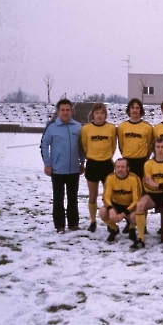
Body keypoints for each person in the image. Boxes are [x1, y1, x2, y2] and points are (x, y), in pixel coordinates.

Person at [40, 98, 85, 234]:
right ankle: (59, 225)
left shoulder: (78, 127)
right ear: (58, 111)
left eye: (68, 110)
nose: (65, 112)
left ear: (71, 111)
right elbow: (44, 145)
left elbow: (82, 146)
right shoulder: (52, 127)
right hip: (57, 170)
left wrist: (82, 162)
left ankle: (73, 224)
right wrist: (47, 164)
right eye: (62, 110)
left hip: (74, 169)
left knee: (73, 198)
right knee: (58, 198)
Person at [133, 138, 163, 250]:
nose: (160, 150)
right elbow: (147, 185)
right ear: (154, 149)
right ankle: (140, 238)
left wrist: (157, 185)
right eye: (158, 147)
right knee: (140, 205)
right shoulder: (148, 164)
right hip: (152, 195)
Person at [80, 103, 116, 232]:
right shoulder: (86, 129)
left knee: (108, 195)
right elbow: (84, 146)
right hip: (92, 164)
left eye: (102, 113)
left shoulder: (111, 128)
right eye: (97, 113)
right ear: (93, 114)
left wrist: (106, 157)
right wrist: (92, 156)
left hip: (106, 164)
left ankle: (108, 220)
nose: (99, 115)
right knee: (93, 194)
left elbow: (113, 146)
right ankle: (93, 221)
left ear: (105, 114)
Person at [99, 158, 142, 244]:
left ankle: (131, 228)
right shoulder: (110, 178)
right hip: (116, 204)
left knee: (137, 217)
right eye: (118, 167)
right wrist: (111, 209)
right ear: (115, 168)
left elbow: (136, 200)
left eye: (123, 167)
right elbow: (105, 196)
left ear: (128, 168)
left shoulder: (134, 178)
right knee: (102, 212)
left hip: (130, 206)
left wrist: (123, 214)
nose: (120, 169)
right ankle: (114, 229)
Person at [117, 98, 153, 180]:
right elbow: (120, 144)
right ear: (129, 110)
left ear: (141, 110)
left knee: (140, 188)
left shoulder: (147, 127)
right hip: (127, 161)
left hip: (141, 161)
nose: (135, 110)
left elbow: (150, 144)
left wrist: (146, 157)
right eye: (132, 108)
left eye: (137, 108)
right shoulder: (122, 127)